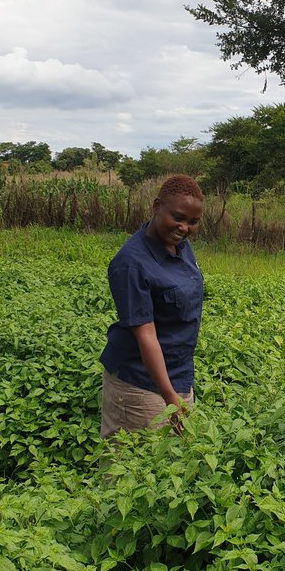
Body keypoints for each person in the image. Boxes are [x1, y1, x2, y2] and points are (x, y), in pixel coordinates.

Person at [99, 174, 204, 438]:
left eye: (193, 222)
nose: (184, 228)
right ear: (157, 207)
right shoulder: (131, 263)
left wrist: (177, 392)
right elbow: (146, 334)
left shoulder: (181, 248)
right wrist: (170, 399)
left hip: (178, 376)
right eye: (178, 218)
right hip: (140, 385)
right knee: (129, 467)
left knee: (172, 466)